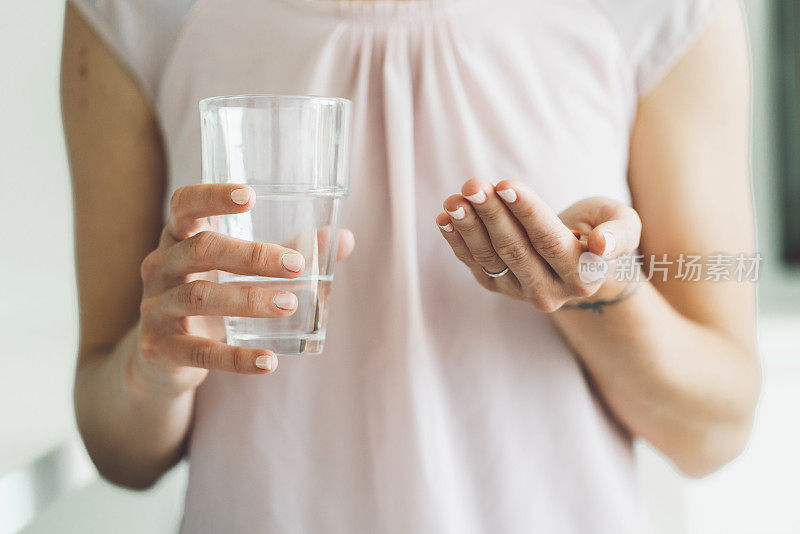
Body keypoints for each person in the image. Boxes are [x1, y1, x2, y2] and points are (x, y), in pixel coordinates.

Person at [61, 0, 759, 532]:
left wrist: (600, 291)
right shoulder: (135, 13)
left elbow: (716, 431)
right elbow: (118, 452)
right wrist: (151, 365)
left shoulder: (663, 13)